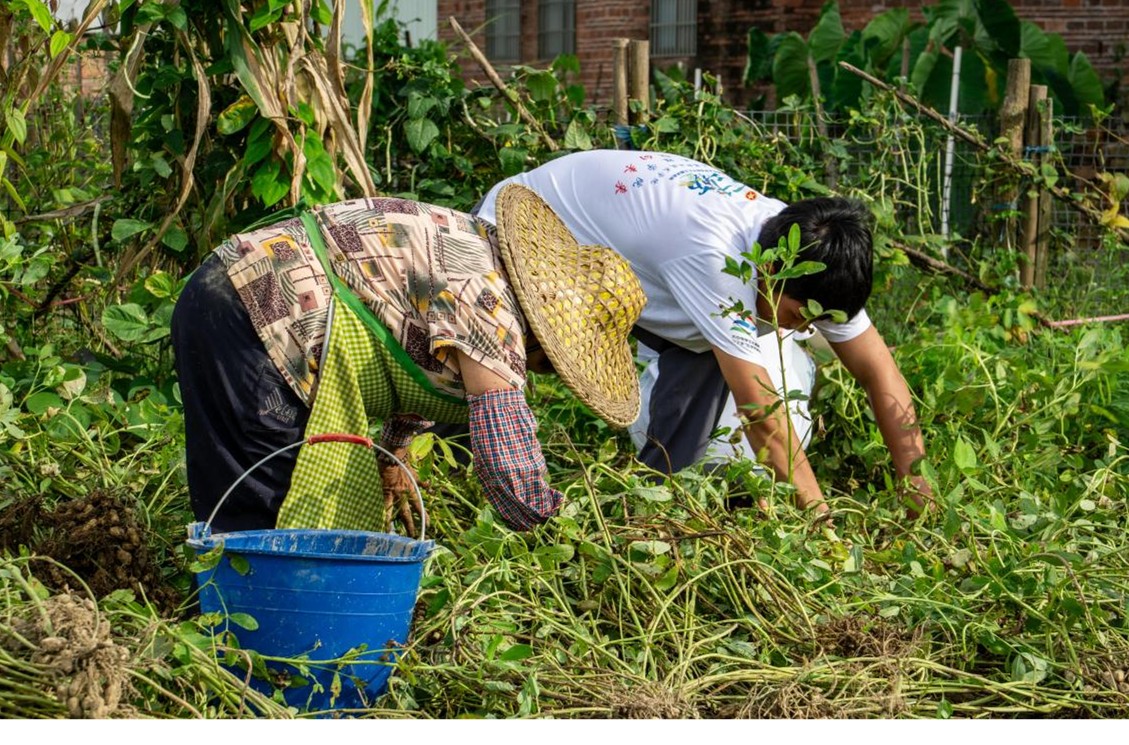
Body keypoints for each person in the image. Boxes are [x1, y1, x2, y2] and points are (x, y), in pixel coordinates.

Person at [475, 149, 931, 517]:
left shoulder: (814, 256)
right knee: (478, 365)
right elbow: (762, 416)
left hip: (625, 249)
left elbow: (879, 373)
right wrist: (819, 519)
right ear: (770, 271)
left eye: (817, 322)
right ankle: (449, 476)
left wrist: (918, 488)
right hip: (524, 227)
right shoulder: (716, 261)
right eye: (801, 317)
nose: (806, 329)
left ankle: (656, 502)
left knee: (719, 348)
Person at [170, 187, 645, 534]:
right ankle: (248, 646)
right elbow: (507, 465)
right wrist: (560, 530)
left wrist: (395, 451)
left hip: (235, 294)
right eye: (549, 365)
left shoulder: (476, 249)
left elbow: (409, 338)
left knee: (254, 492)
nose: (541, 374)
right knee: (267, 503)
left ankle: (244, 627)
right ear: (544, 334)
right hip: (259, 311)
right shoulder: (492, 311)